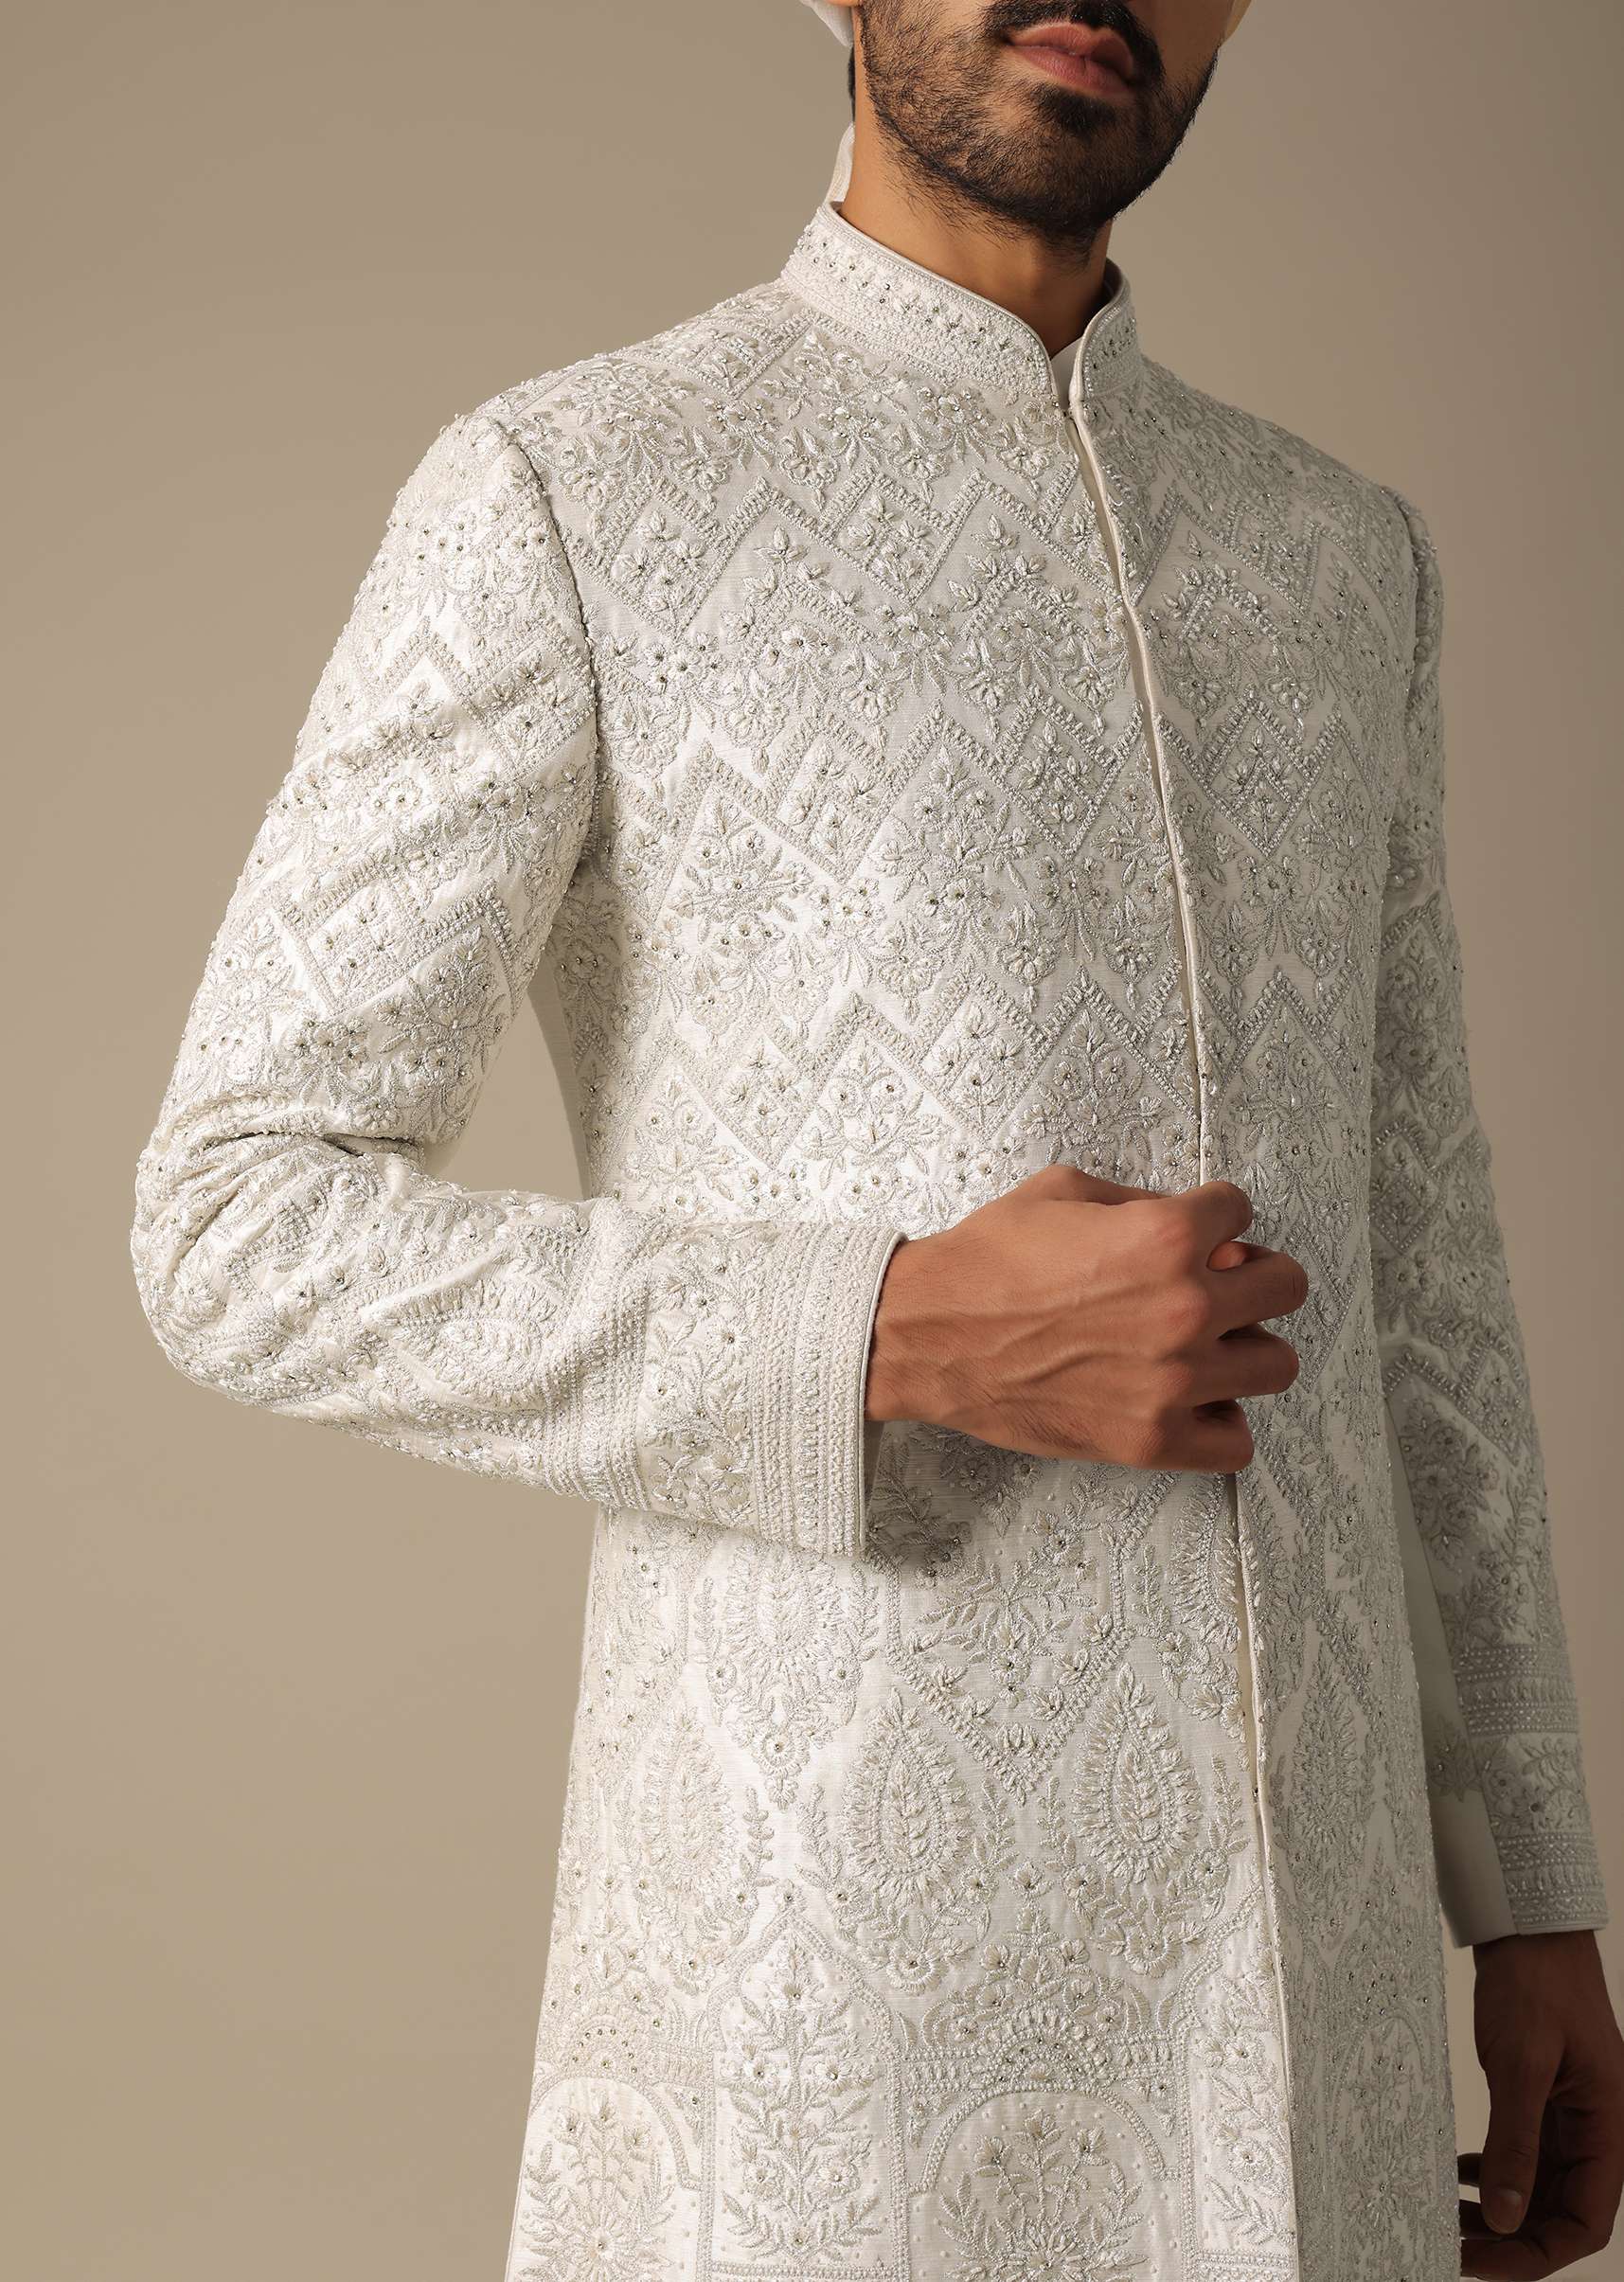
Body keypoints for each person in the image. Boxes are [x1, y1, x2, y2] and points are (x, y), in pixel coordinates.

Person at [130, 3, 1620, 2275]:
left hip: (1309, 2014)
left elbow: (1422, 1268)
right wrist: (882, 1330)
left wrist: (1532, 1886)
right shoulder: (577, 489)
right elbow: (238, 1215)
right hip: (816, 2003)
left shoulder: (1343, 564)